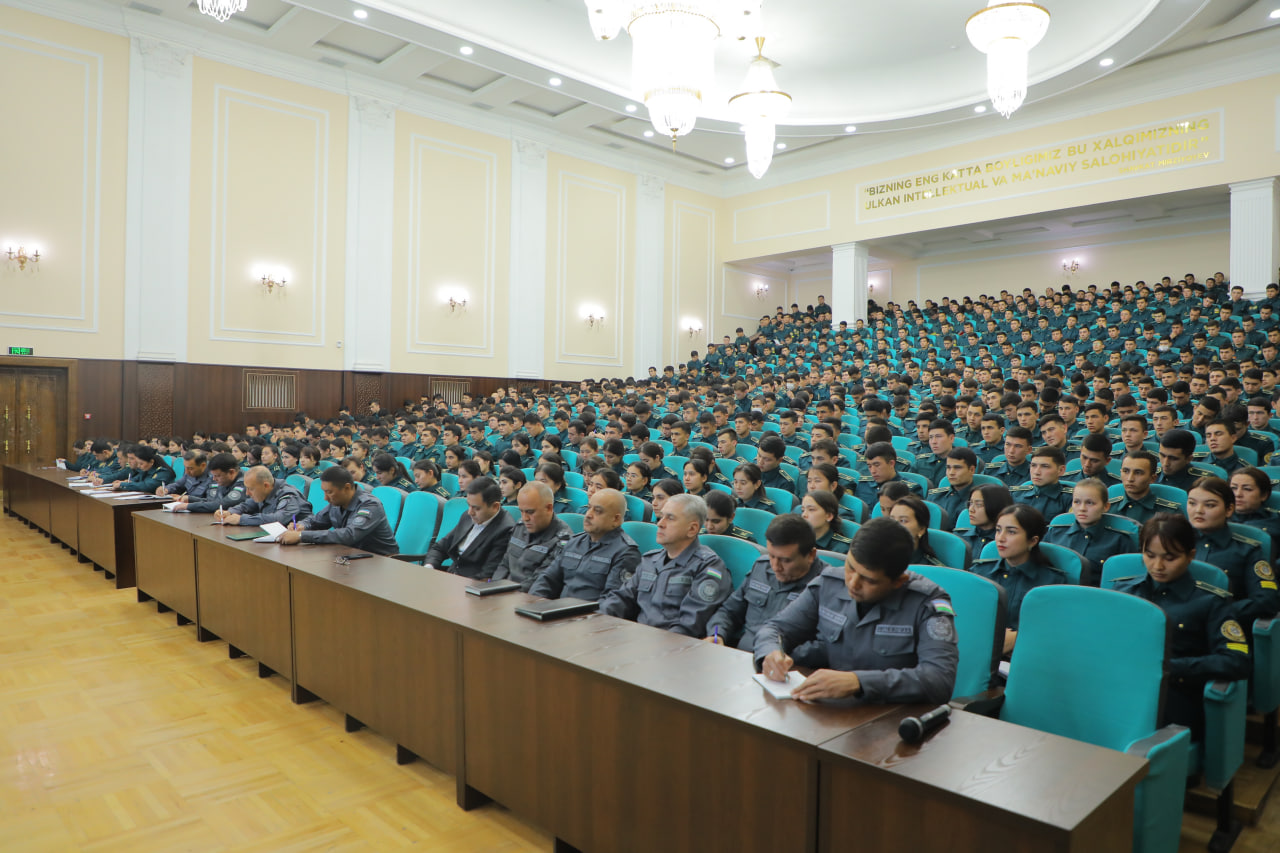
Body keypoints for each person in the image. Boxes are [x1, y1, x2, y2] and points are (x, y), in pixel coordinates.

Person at [754, 517, 958, 705]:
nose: (852, 583)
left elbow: (939, 679)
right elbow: (775, 628)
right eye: (850, 568)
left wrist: (859, 682)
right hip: (831, 708)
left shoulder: (927, 604)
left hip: (890, 714)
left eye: (868, 580)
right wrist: (771, 653)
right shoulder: (829, 583)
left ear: (899, 581)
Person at [1107, 514, 1251, 738]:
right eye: (1149, 555)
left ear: (1190, 555)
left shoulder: (1210, 602)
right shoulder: (1123, 592)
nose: (1158, 566)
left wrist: (1170, 668)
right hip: (1121, 687)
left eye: (1170, 558)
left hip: (1174, 695)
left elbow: (1236, 660)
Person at [598, 494, 732, 636]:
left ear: (692, 529)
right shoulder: (650, 560)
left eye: (670, 518)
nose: (660, 524)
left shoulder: (707, 566)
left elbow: (691, 624)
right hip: (638, 637)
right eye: (661, 517)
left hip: (674, 643)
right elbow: (622, 598)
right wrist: (598, 619)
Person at [705, 514, 825, 663]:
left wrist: (781, 657)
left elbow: (824, 646)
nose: (775, 567)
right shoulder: (761, 567)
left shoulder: (824, 585)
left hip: (786, 665)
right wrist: (717, 634)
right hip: (741, 659)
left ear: (810, 555)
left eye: (785, 560)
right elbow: (729, 611)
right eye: (772, 556)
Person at [970, 504, 1066, 655]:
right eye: (998, 530)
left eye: (1011, 532)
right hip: (978, 650)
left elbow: (1054, 631)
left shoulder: (1053, 582)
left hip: (1027, 656)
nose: (1000, 538)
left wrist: (1017, 638)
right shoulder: (979, 572)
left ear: (1032, 541)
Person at [1186, 477, 1278, 624]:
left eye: (1209, 505)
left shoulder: (1247, 550)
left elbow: (1266, 601)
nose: (1198, 510)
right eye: (1192, 503)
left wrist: (1217, 612)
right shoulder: (1177, 542)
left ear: (1229, 510)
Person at [530, 488, 641, 601]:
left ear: (616, 519)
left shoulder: (625, 553)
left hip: (591, 611)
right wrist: (534, 600)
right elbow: (547, 578)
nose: (588, 515)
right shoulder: (574, 542)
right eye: (589, 508)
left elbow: (613, 601)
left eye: (597, 511)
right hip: (558, 608)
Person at [279, 467, 399, 556]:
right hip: (351, 557)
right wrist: (301, 526)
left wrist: (301, 536)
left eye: (329, 492)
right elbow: (315, 521)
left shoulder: (370, 505)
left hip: (380, 561)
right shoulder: (336, 503)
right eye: (324, 492)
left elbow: (349, 535)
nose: (325, 498)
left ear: (347, 488)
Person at [1043, 478, 1134, 585]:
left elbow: (1125, 582)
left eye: (1090, 503)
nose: (1082, 508)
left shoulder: (1119, 540)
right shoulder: (1056, 533)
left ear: (1106, 506)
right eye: (1077, 502)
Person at [421, 476, 516, 578]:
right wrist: (430, 566)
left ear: (495, 506)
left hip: (472, 584)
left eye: (476, 508)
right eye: (469, 505)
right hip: (451, 576)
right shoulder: (467, 516)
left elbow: (488, 574)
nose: (470, 512)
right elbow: (440, 548)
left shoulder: (505, 530)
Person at [491, 482, 573, 591]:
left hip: (527, 596)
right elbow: (504, 564)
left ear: (549, 508)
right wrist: (493, 588)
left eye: (530, 512)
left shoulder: (561, 539)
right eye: (522, 511)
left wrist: (504, 595)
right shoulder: (520, 527)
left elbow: (540, 581)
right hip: (503, 591)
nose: (525, 518)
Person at [217, 466, 312, 527]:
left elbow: (278, 519)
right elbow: (246, 505)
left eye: (251, 489)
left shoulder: (288, 495)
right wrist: (230, 512)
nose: (247, 493)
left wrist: (241, 519)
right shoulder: (263, 492)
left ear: (266, 485)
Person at [1109, 450, 1182, 523]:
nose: (1130, 478)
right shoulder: (1109, 508)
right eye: (1126, 471)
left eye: (1138, 473)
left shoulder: (1169, 513)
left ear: (1152, 478)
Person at [170, 452, 248, 514]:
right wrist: (190, 499)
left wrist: (189, 506)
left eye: (217, 476)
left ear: (231, 472)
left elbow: (222, 505)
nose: (214, 479)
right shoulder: (223, 478)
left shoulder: (244, 482)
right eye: (213, 475)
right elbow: (212, 500)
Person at [1229, 467, 1280, 560]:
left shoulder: (1274, 523)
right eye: (1233, 488)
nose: (1238, 494)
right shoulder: (1218, 517)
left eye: (1247, 489)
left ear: (1264, 495)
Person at [1010, 447, 1073, 519]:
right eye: (1033, 465)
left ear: (1061, 470)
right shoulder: (1016, 494)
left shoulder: (1070, 498)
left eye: (1045, 466)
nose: (1037, 472)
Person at [926, 447, 977, 531]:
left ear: (971, 470)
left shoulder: (978, 502)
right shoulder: (935, 497)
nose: (951, 473)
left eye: (957, 468)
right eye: (948, 467)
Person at [955, 483, 1012, 559]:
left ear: (996, 506)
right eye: (970, 503)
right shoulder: (960, 538)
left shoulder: (1007, 542)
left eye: (978, 505)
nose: (971, 509)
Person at [888, 495, 946, 567]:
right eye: (891, 520)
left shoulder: (932, 569)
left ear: (921, 529)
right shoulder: (878, 561)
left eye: (903, 521)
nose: (894, 526)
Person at [110, 445, 175, 494]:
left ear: (151, 462)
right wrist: (123, 482)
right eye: (138, 463)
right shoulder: (145, 470)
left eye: (141, 463)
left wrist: (123, 485)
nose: (139, 466)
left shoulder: (163, 472)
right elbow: (135, 480)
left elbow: (146, 486)